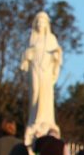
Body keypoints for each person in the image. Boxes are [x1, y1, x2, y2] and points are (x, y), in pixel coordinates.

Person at [20, 11, 62, 146]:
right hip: (35, 69)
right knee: (35, 95)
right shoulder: (33, 38)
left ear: (46, 24)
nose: (39, 24)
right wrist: (27, 55)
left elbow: (57, 55)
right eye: (37, 21)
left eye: (42, 21)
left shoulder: (51, 39)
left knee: (46, 96)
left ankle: (46, 120)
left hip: (46, 71)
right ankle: (34, 120)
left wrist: (56, 56)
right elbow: (27, 55)